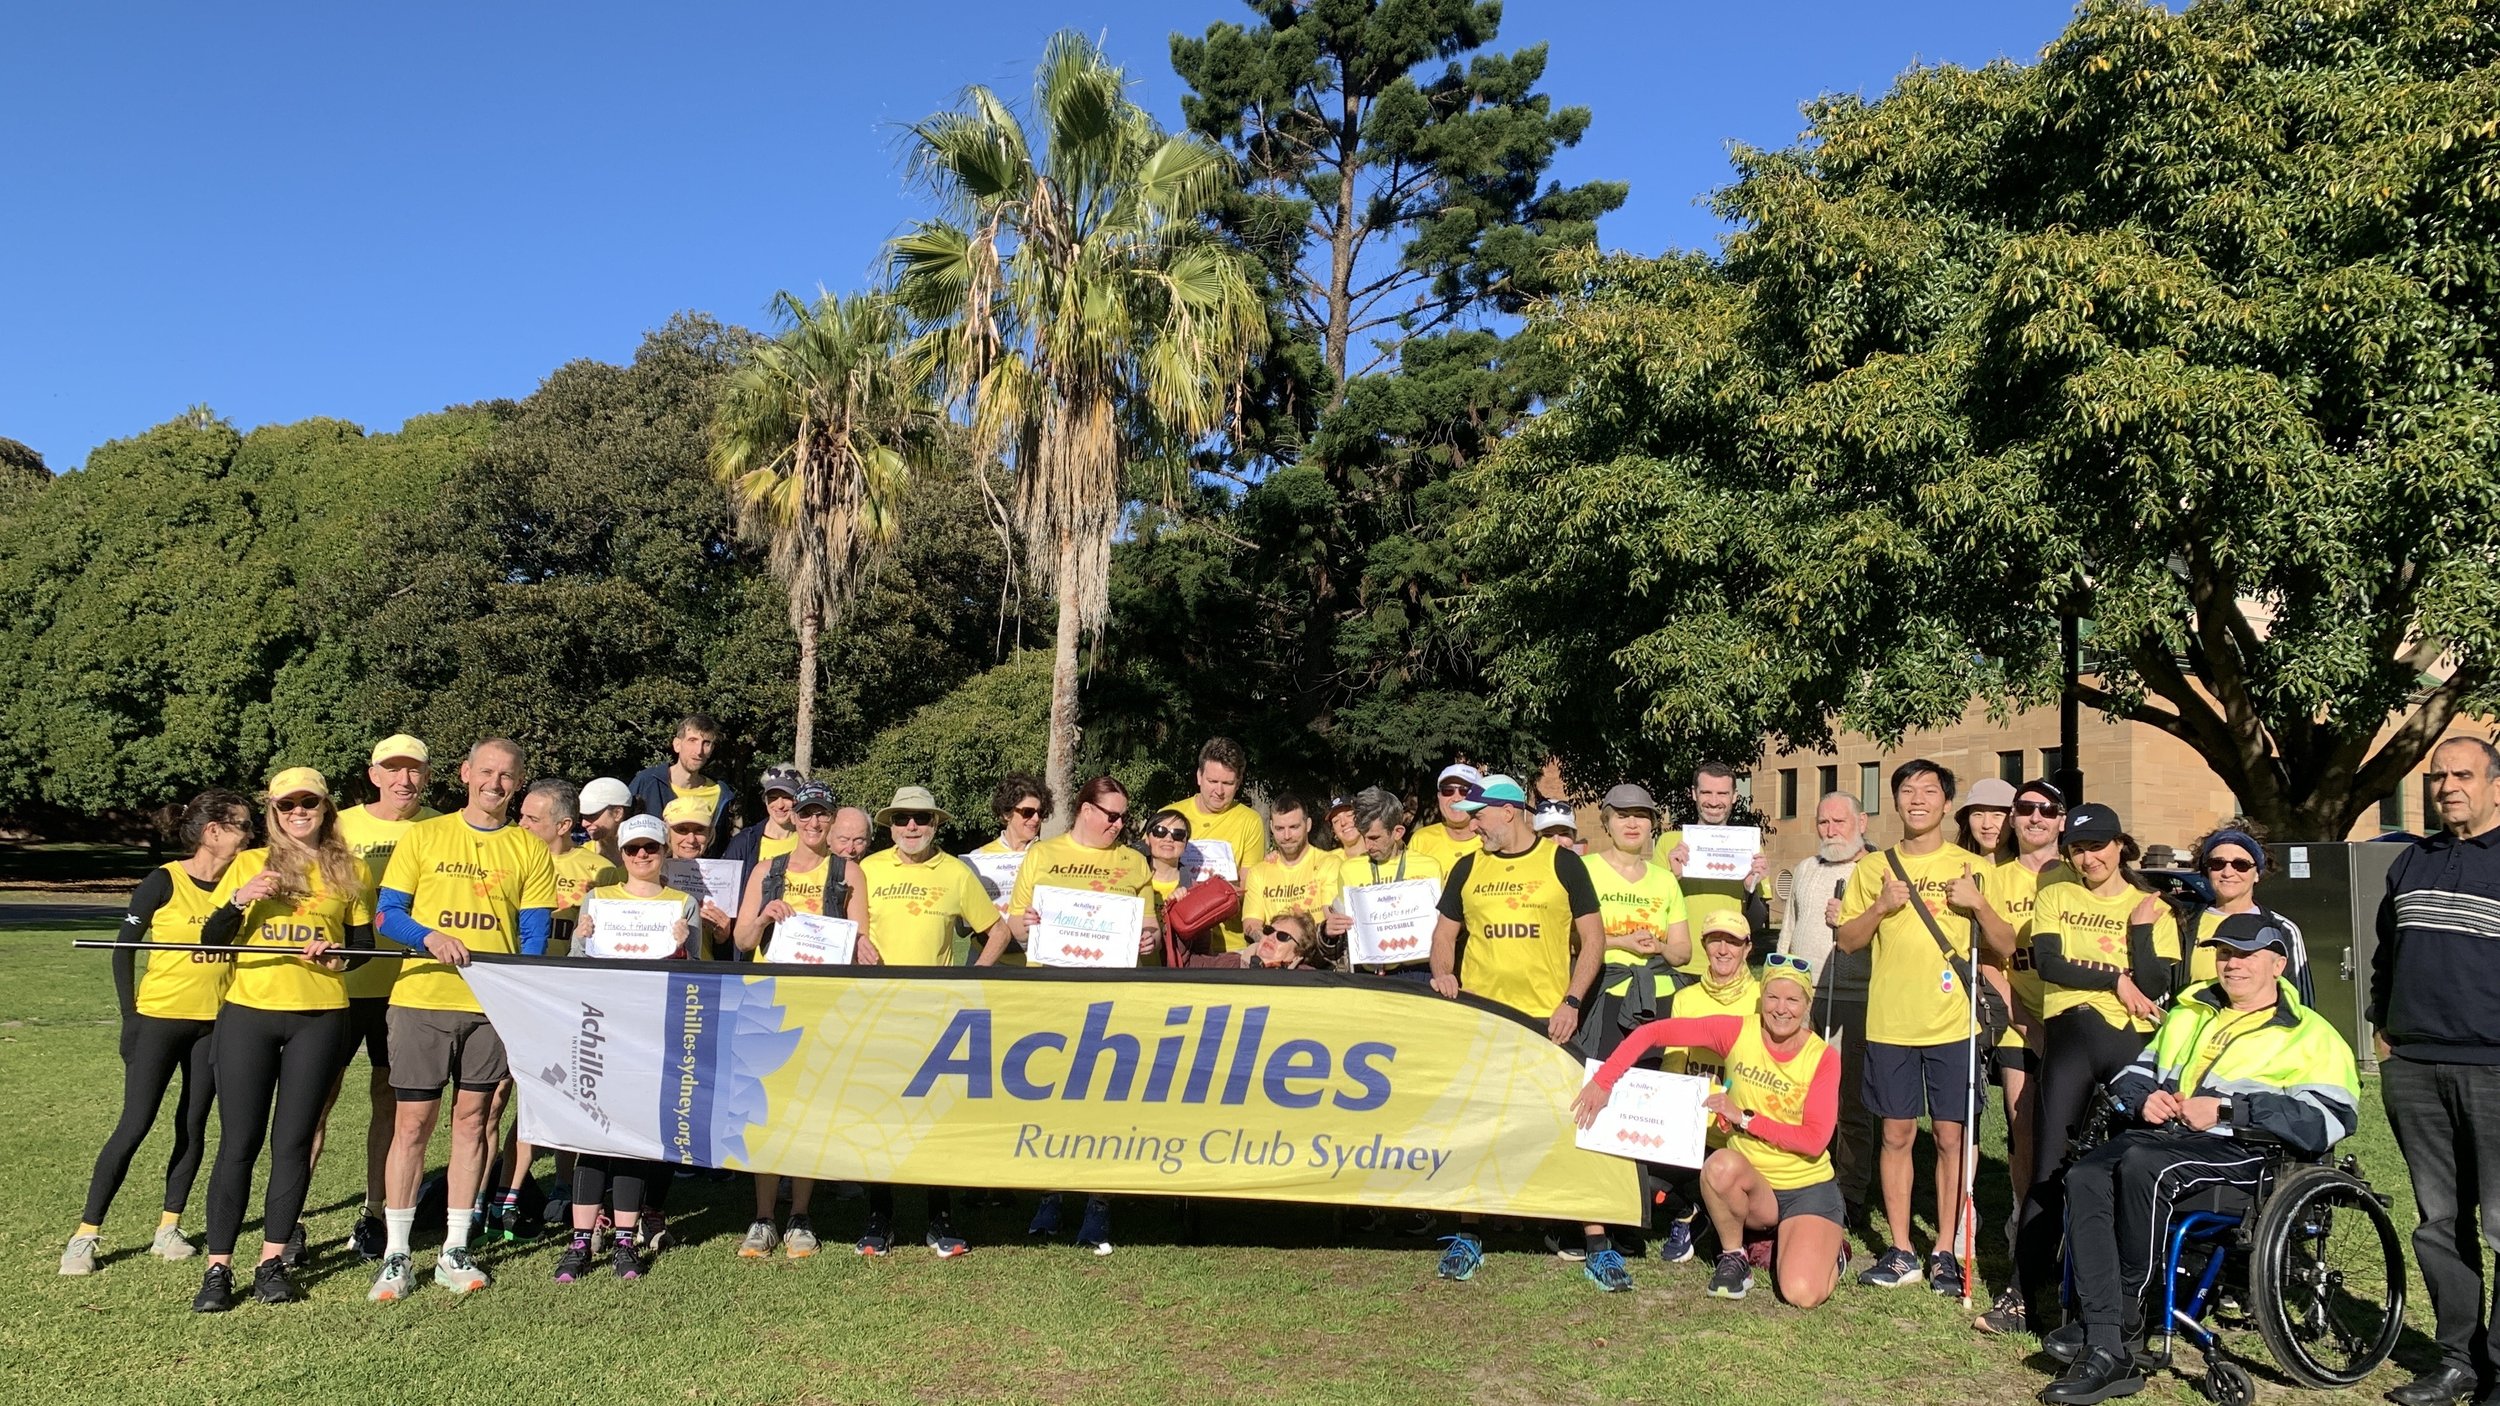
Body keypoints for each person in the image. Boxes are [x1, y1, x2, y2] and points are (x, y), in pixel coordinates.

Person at [2038, 913, 2360, 1404]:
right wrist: (2143, 1098)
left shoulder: (2312, 1035)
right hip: (2166, 1137)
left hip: (2247, 1152)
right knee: (2085, 1173)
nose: (2232, 964)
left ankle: (2119, 1330)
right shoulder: (2190, 1013)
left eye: (2246, 955)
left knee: (2146, 1168)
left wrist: (2231, 1108)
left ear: (2278, 964)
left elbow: (2329, 1119)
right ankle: (2105, 1329)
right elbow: (2132, 1075)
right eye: (2225, 953)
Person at [368, 737, 557, 1302]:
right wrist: (427, 937)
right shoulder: (424, 836)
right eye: (486, 772)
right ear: (465, 773)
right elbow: (386, 914)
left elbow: (533, 936)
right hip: (422, 999)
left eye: (507, 775)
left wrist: (520, 989)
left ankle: (455, 1246)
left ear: (518, 783)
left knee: (474, 1121)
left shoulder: (530, 850)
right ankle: (397, 1253)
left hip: (490, 1007)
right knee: (412, 1124)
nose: (495, 783)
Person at [188, 768, 377, 1311]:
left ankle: (272, 1260)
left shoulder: (351, 869)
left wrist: (339, 955)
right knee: (238, 1144)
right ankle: (217, 1269)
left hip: (319, 1017)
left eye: (309, 802)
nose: (299, 811)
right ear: (273, 810)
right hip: (250, 1015)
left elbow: (361, 946)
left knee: (293, 1142)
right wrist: (238, 900)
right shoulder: (248, 863)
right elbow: (212, 940)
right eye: (288, 803)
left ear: (325, 808)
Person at [1993, 803, 2179, 1339]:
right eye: (2077, 848)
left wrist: (2140, 931)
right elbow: (2048, 964)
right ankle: (2023, 1295)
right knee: (2049, 1169)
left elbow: (2154, 984)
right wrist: (2114, 981)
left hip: (2133, 1044)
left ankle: (2124, 1303)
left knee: (2132, 1170)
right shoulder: (2055, 894)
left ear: (2120, 844)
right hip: (2071, 1036)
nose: (2088, 857)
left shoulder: (2151, 907)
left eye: (2097, 846)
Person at [1424, 774, 1613, 1289]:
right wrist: (1443, 970)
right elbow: (1444, 934)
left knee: (1569, 1126)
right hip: (1484, 1019)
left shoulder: (1562, 862)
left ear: (1508, 811)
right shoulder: (1468, 867)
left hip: (1547, 1020)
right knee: (1477, 1124)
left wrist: (1573, 1000)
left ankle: (1596, 1239)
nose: (1472, 823)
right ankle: (1468, 1234)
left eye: (1479, 814)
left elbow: (1593, 940)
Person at [1575, 952, 1846, 1308]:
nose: (1782, 1009)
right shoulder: (1738, 1030)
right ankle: (1734, 1256)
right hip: (1754, 1187)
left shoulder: (1822, 1057)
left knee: (1801, 1293)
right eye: (1773, 997)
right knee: (1718, 1166)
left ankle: (1830, 1250)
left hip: (1806, 1187)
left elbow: (1814, 1141)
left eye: (1793, 999)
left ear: (1807, 1004)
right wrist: (1603, 1080)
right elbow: (1654, 1032)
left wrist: (1744, 1118)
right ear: (1761, 998)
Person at [62, 789, 252, 1277]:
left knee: (191, 1127)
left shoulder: (244, 884)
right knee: (134, 1124)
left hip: (216, 1024)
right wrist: (130, 1019)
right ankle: (86, 1235)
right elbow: (122, 950)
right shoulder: (162, 880)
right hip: (158, 1021)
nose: (250, 835)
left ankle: (169, 1227)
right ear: (214, 832)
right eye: (243, 825)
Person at [1832, 758, 1996, 1295]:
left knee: (1952, 1136)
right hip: (1890, 1022)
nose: (1917, 798)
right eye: (1907, 790)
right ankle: (1902, 1249)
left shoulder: (1972, 866)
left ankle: (1945, 1248)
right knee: (1897, 1134)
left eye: (1929, 791)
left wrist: (1977, 904)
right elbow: (1849, 941)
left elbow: (2003, 943)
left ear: (1947, 804)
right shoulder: (1872, 868)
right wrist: (1880, 905)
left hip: (1953, 1024)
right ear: (1896, 801)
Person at [2371, 736, 2500, 1406]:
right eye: (2438, 776)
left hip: (2494, 1070)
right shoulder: (2410, 862)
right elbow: (2385, 954)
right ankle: (2459, 1361)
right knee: (2438, 1223)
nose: (2449, 786)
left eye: (2464, 775)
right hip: (2416, 1068)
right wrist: (2381, 1025)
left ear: (2495, 784)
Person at [1008, 775, 1162, 1255]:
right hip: (1052, 992)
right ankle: (1051, 1195)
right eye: (1112, 816)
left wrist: (1149, 938)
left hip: (1111, 997)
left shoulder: (1134, 861)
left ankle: (1098, 1202)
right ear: (1085, 810)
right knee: (1054, 1097)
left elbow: (1151, 924)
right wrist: (1025, 924)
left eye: (1123, 817)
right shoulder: (1043, 854)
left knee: (1104, 1100)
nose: (1119, 825)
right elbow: (1015, 923)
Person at [552, 813, 698, 1284]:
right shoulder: (598, 900)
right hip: (600, 1027)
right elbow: (577, 966)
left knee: (632, 1137)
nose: (640, 857)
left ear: (663, 853)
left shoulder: (683, 904)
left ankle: (624, 1239)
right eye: (632, 849)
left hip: (652, 1031)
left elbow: (693, 978)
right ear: (621, 852)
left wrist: (683, 948)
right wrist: (583, 938)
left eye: (650, 850)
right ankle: (579, 1242)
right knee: (593, 1134)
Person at [857, 784, 1000, 1256]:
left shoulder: (957, 872)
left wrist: (971, 981)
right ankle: (880, 1218)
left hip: (934, 1014)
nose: (911, 827)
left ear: (936, 823)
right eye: (901, 819)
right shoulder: (867, 869)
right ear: (890, 826)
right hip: (874, 1010)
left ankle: (940, 1219)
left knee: (933, 1119)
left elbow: (996, 932)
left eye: (920, 819)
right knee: (878, 1114)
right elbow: (842, 927)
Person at [730, 781, 871, 1258]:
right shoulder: (767, 870)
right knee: (764, 1108)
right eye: (806, 814)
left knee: (810, 1107)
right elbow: (744, 939)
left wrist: (862, 949)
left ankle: (801, 1216)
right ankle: (764, 1216)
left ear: (832, 821)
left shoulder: (848, 871)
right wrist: (766, 914)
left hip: (822, 1001)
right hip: (768, 1001)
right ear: (794, 818)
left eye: (822, 815)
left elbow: (859, 940)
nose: (813, 822)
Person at [321, 734, 439, 1263]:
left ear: (427, 776)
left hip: (410, 989)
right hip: (341, 987)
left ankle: (373, 1214)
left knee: (390, 1105)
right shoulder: (339, 826)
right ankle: (291, 1221)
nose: (404, 780)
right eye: (393, 769)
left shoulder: (441, 827)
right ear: (373, 775)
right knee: (314, 1105)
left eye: (413, 770)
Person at [486, 779, 619, 1241]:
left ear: (563, 825)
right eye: (520, 815)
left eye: (530, 818)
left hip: (576, 997)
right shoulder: (507, 857)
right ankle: (499, 1197)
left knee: (568, 1092)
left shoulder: (599, 869)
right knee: (501, 1095)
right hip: (519, 993)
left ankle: (565, 1189)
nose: (520, 823)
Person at [1962, 778, 2068, 1320]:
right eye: (2024, 809)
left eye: (2046, 810)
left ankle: (2069, 1239)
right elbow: (1988, 960)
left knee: (2077, 1138)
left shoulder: (2078, 875)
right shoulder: (1991, 877)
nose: (2034, 817)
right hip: (2017, 1029)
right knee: (2024, 1133)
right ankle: (2026, 1233)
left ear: (2061, 820)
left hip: (2075, 1027)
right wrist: (2025, 1019)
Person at [1777, 791, 1877, 1226]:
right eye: (1823, 822)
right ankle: (1800, 1179)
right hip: (1803, 999)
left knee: (1850, 1099)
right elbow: (1788, 932)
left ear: (1862, 822)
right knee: (1797, 1094)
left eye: (1840, 821)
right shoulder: (1804, 870)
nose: (1831, 830)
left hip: (1855, 998)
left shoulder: (1875, 871)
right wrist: (1777, 986)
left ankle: (1851, 1189)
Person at [1647, 911, 1764, 1262]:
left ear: (1748, 949)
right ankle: (1691, 1212)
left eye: (1733, 941)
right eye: (1715, 940)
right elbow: (1674, 1058)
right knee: (1643, 1174)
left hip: (1741, 1131)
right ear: (1703, 946)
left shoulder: (1762, 999)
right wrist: (1671, 1107)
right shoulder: (1687, 998)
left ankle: (1720, 1218)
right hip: (1694, 1128)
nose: (1723, 949)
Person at [1585, 782, 1693, 1016]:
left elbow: (1683, 951)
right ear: (1606, 823)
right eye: (1622, 816)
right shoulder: (1584, 870)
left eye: (1641, 816)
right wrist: (1622, 942)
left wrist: (1660, 947)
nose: (1632, 824)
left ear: (1652, 824)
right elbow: (1565, 939)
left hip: (1659, 997)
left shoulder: (1665, 880)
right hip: (1601, 994)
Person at [1326, 786, 1446, 986]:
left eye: (1374, 838)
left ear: (1398, 832)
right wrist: (1330, 930)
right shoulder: (1349, 869)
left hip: (1418, 970)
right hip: (1369, 974)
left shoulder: (1429, 866)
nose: (1368, 845)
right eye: (1364, 836)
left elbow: (1444, 926)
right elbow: (1342, 929)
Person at [1662, 762, 1774, 971]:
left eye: (1722, 793)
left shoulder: (1750, 847)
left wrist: (1749, 889)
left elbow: (1757, 923)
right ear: (1693, 794)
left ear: (1734, 797)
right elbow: (1652, 911)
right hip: (1677, 966)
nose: (1714, 802)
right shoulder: (1669, 843)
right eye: (1706, 792)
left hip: (1729, 966)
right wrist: (1672, 877)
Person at [2178, 827, 2312, 996]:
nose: (2228, 872)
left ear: (2257, 874)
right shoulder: (2183, 924)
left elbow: (2300, 1000)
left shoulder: (2282, 929)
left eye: (2241, 865)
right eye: (2217, 864)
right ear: (2206, 871)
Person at [1165, 738, 1266, 952]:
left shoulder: (1250, 821)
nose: (1219, 791)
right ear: (1199, 777)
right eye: (1212, 781)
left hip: (1229, 945)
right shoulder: (1170, 816)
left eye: (1228, 784)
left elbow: (1249, 888)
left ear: (1238, 783)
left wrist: (1216, 895)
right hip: (1178, 941)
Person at [1242, 794, 1338, 946]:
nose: (1287, 836)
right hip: (1273, 959)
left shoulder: (1329, 863)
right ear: (1272, 827)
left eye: (1294, 827)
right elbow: (1251, 923)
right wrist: (1269, 942)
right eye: (1280, 828)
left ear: (1308, 825)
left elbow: (1331, 917)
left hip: (1316, 954)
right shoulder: (1258, 872)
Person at [628, 714, 730, 855]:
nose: (698, 751)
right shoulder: (647, 783)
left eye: (706, 743)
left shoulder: (720, 794)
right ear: (677, 745)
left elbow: (719, 848)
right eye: (692, 740)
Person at [664, 797, 736, 959]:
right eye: (681, 829)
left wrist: (723, 938)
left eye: (699, 830)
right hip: (659, 974)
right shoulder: (649, 873)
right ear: (667, 832)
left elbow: (730, 957)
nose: (691, 839)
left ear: (710, 834)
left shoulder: (724, 880)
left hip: (704, 976)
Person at [721, 764, 807, 870]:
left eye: (787, 797)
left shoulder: (809, 840)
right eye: (773, 798)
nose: (780, 805)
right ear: (765, 800)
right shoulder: (744, 842)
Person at [1408, 762, 1486, 873]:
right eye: (1448, 790)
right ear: (1439, 796)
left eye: (1465, 791)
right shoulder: (1421, 841)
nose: (1456, 798)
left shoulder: (1491, 842)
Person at [1182, 909, 1324, 969]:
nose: (1272, 937)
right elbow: (1185, 964)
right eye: (1269, 931)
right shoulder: (1231, 963)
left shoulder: (1308, 980)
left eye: (1283, 936)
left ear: (1298, 954)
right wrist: (1186, 912)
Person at [1142, 807, 1196, 906]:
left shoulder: (1195, 890)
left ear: (1186, 844)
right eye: (1160, 831)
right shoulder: (1129, 877)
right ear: (1147, 839)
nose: (1168, 839)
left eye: (1178, 834)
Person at [1956, 778, 2018, 863]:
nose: (1986, 825)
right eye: (1978, 814)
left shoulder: (2030, 871)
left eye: (1997, 815)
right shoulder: (1955, 867)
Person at [578, 776, 632, 862]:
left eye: (592, 815)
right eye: (583, 816)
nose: (584, 823)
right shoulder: (581, 857)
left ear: (617, 813)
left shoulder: (645, 857)